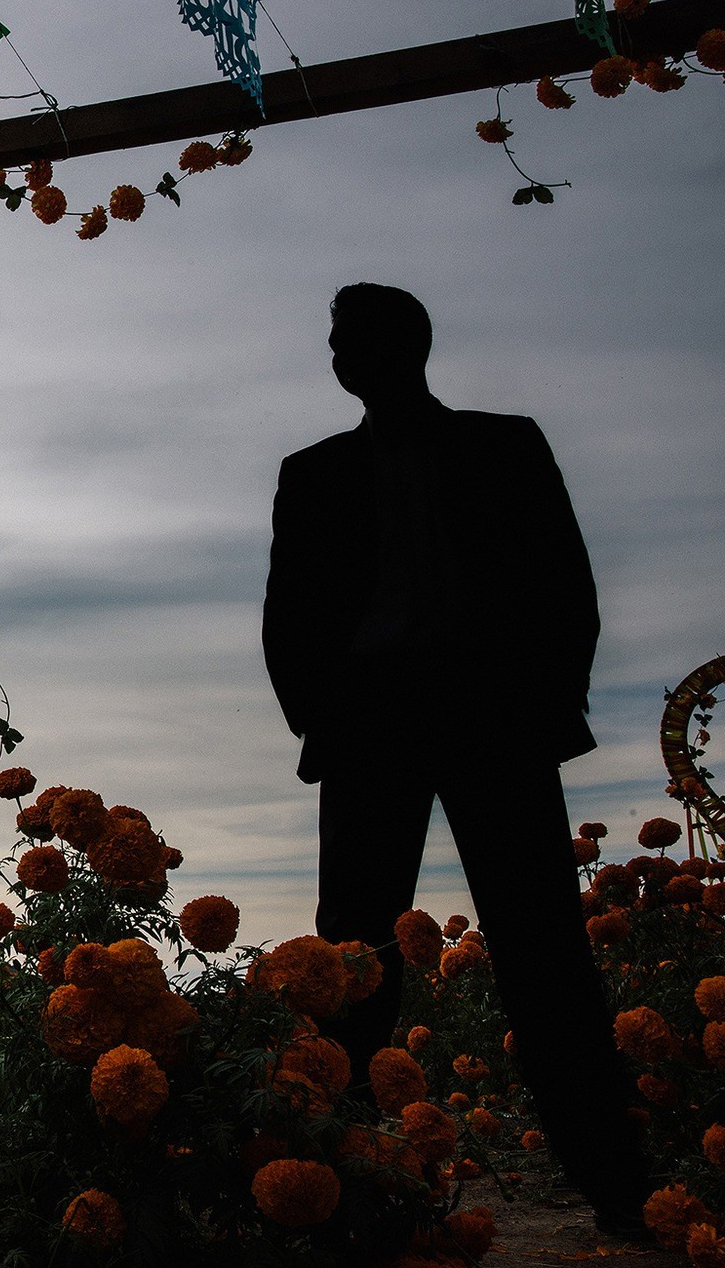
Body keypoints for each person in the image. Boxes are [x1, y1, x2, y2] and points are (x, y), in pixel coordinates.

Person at [261, 282, 652, 1236]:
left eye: (354, 339)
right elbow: (290, 617)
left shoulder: (505, 445)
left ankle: (622, 1190)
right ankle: (337, 1195)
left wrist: (546, 706)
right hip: (372, 726)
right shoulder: (313, 473)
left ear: (410, 346)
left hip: (493, 719)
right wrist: (326, 720)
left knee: (544, 952)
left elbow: (566, 584)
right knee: (353, 964)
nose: (340, 356)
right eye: (336, 342)